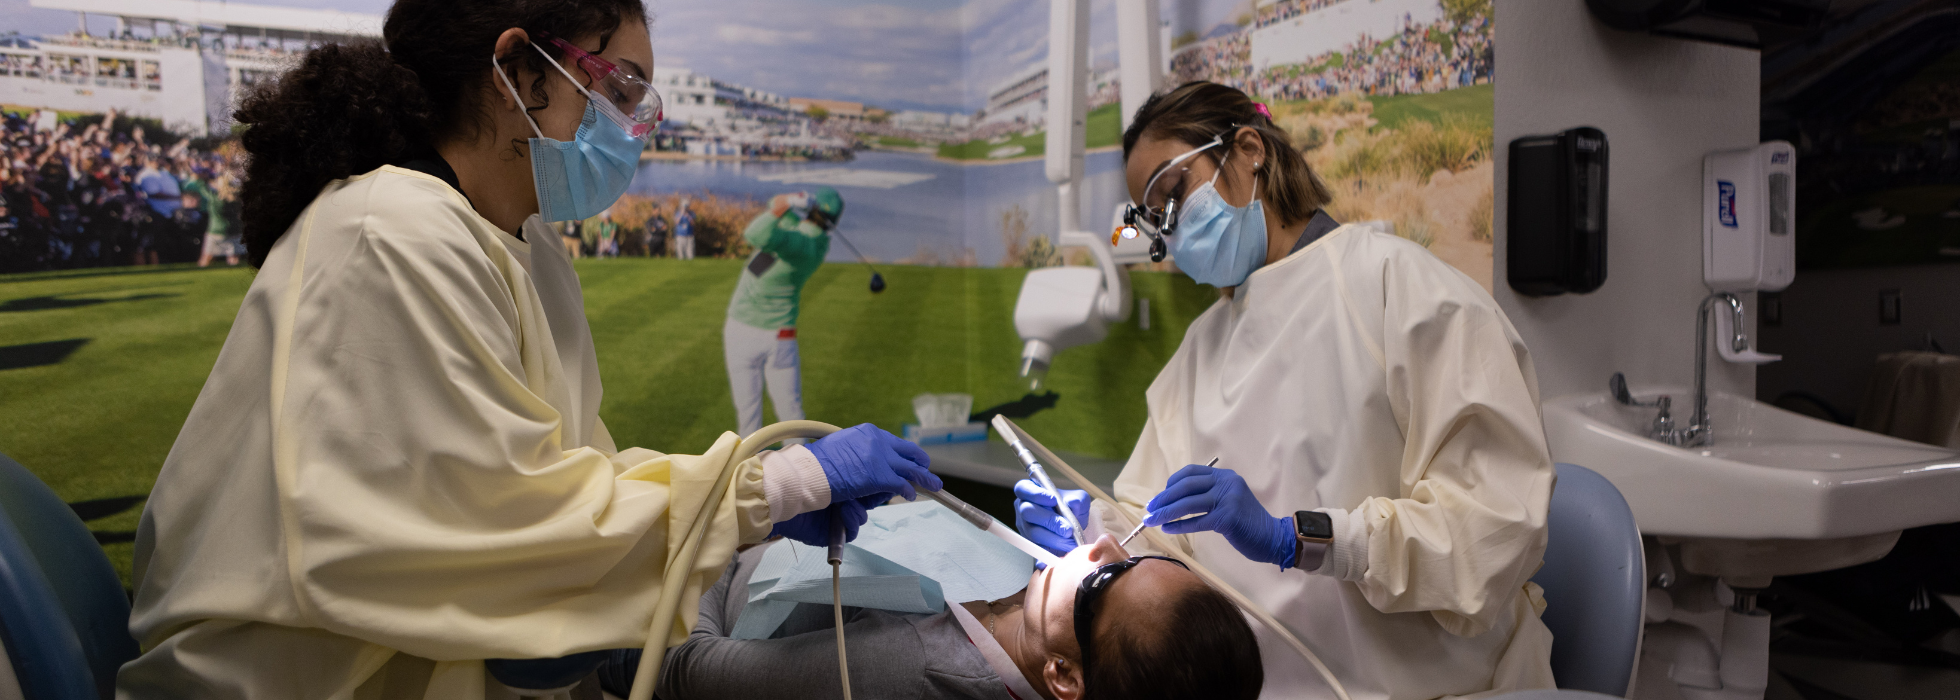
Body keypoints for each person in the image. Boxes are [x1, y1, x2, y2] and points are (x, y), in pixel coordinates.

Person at [117, 2, 940, 698]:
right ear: (524, 72)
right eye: (620, 87)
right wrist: (781, 483)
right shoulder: (390, 234)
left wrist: (753, 508)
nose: (638, 124)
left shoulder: (527, 247)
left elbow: (564, 478)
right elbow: (506, 527)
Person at [1013, 81, 1557, 700]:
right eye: (1151, 216)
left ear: (1249, 149)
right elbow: (1160, 529)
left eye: (1174, 191)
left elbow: (1494, 531)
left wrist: (1300, 539)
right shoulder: (1200, 349)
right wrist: (1095, 525)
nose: (1168, 231)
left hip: (1428, 685)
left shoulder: (1399, 289)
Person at [641, 532, 1262, 700]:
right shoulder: (1028, 610)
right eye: (1141, 556)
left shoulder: (915, 669)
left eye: (1108, 575)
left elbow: (684, 672)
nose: (1103, 545)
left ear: (1065, 677)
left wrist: (719, 542)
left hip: (657, 621)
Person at [724, 188, 837, 437]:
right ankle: (801, 473)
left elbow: (754, 233)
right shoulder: (816, 242)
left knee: (749, 418)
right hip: (782, 336)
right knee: (791, 415)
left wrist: (788, 202)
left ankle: (748, 471)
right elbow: (771, 204)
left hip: (743, 330)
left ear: (812, 210)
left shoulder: (797, 241)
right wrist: (786, 202)